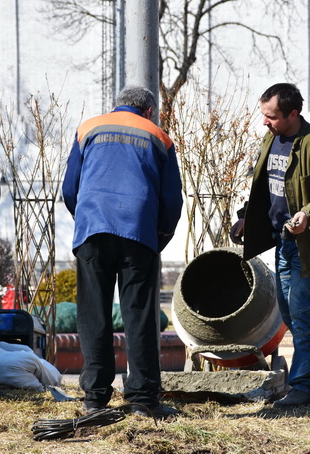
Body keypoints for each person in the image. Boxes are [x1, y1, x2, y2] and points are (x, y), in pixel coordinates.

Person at [62, 85, 183, 419]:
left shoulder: (88, 128)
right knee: (139, 316)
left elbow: (70, 188)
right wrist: (159, 236)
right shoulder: (159, 136)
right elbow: (172, 200)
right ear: (147, 111)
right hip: (138, 233)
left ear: (116, 106)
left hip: (92, 231)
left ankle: (94, 400)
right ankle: (144, 400)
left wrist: (87, 217)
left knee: (93, 315)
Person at [232, 82, 310, 407]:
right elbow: (264, 188)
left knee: (302, 313)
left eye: (271, 116)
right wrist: (246, 218)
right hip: (283, 243)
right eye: (264, 115)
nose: (264, 122)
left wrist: (308, 215)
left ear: (292, 113)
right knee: (289, 313)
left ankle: (304, 386)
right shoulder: (271, 139)